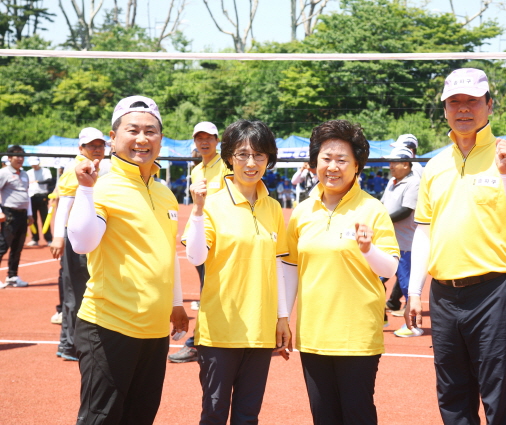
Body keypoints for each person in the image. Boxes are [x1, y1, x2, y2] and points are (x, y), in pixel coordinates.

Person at [406, 68, 506, 425]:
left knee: (500, 395)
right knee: (452, 397)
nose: (463, 109)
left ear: (489, 105)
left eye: (472, 101)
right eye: (455, 102)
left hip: (494, 293)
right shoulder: (435, 166)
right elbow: (424, 231)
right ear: (445, 109)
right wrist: (414, 291)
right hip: (444, 298)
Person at [66, 96, 189, 425]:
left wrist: (176, 303)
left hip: (154, 331)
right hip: (109, 326)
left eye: (151, 131)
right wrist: (86, 191)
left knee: (140, 417)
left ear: (160, 139)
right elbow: (81, 242)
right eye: (132, 130)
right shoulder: (103, 187)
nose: (142, 138)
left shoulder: (164, 193)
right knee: (102, 419)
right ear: (113, 137)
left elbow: (167, 254)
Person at [284, 120, 399, 425]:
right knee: (324, 416)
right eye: (326, 158)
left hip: (357, 336)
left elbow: (389, 267)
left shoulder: (373, 209)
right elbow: (290, 268)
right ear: (314, 163)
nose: (332, 167)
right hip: (313, 334)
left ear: (357, 165)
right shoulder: (302, 212)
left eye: (342, 160)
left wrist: (368, 249)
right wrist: (282, 316)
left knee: (357, 414)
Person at [184, 120, 291, 424]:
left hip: (260, 331)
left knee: (248, 416)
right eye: (242, 154)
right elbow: (195, 255)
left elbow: (278, 266)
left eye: (259, 155)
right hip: (220, 331)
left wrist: (282, 318)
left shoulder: (272, 208)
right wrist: (197, 211)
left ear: (269, 159)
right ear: (229, 156)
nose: (251, 163)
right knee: (214, 414)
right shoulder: (213, 203)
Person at [167, 121, 230, 364]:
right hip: (200, 238)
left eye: (209, 138)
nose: (204, 142)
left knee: (214, 291)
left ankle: (198, 343)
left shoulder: (226, 166)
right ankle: (202, 341)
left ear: (217, 140)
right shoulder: (196, 171)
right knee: (209, 291)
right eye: (199, 138)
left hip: (221, 240)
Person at [50, 128, 106, 361]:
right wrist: (58, 236)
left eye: (99, 145)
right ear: (80, 148)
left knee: (80, 290)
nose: (96, 149)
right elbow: (65, 202)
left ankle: (72, 343)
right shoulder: (80, 168)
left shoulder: (100, 167)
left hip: (84, 236)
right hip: (74, 238)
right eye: (90, 145)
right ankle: (69, 344)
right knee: (76, 292)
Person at [380, 147, 421, 338]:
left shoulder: (414, 183)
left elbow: (406, 210)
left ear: (406, 164)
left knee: (407, 286)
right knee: (376, 279)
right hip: (387, 243)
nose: (390, 166)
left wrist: (383, 220)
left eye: (394, 162)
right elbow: (382, 205)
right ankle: (380, 317)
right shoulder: (392, 182)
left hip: (406, 244)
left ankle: (413, 325)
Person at [0, 145, 33, 288]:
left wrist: (30, 214)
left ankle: (12, 276)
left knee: (18, 247)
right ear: (9, 157)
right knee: (2, 246)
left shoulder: (25, 174)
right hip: (9, 214)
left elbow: (27, 195)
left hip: (22, 214)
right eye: (17, 156)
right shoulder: (4, 173)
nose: (20, 159)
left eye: (22, 156)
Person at [26, 157, 54, 247]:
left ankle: (49, 239)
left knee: (44, 218)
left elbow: (50, 180)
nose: (34, 165)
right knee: (32, 218)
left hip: (42, 196)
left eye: (36, 163)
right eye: (33, 164)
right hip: (31, 197)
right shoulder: (28, 173)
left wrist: (38, 182)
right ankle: (35, 238)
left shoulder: (45, 171)